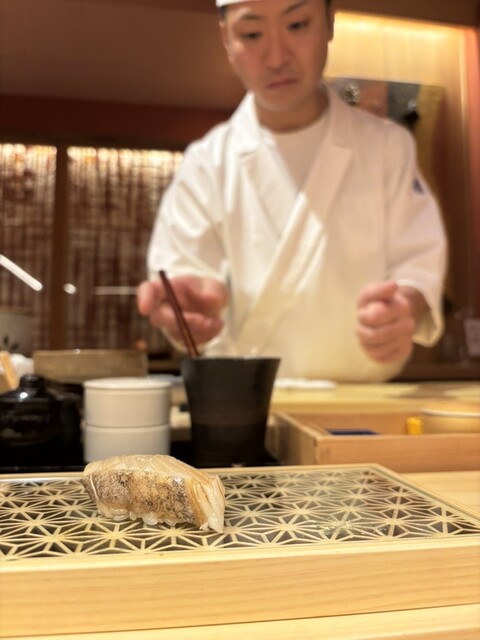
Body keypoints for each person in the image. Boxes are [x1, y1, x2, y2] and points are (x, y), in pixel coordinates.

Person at [137, 0, 447, 382]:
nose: (276, 58)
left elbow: (418, 262)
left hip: (362, 401)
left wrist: (403, 308)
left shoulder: (387, 147)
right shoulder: (206, 164)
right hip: (243, 404)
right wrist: (187, 311)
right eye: (252, 34)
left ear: (329, 22)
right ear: (226, 38)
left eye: (298, 25)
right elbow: (182, 280)